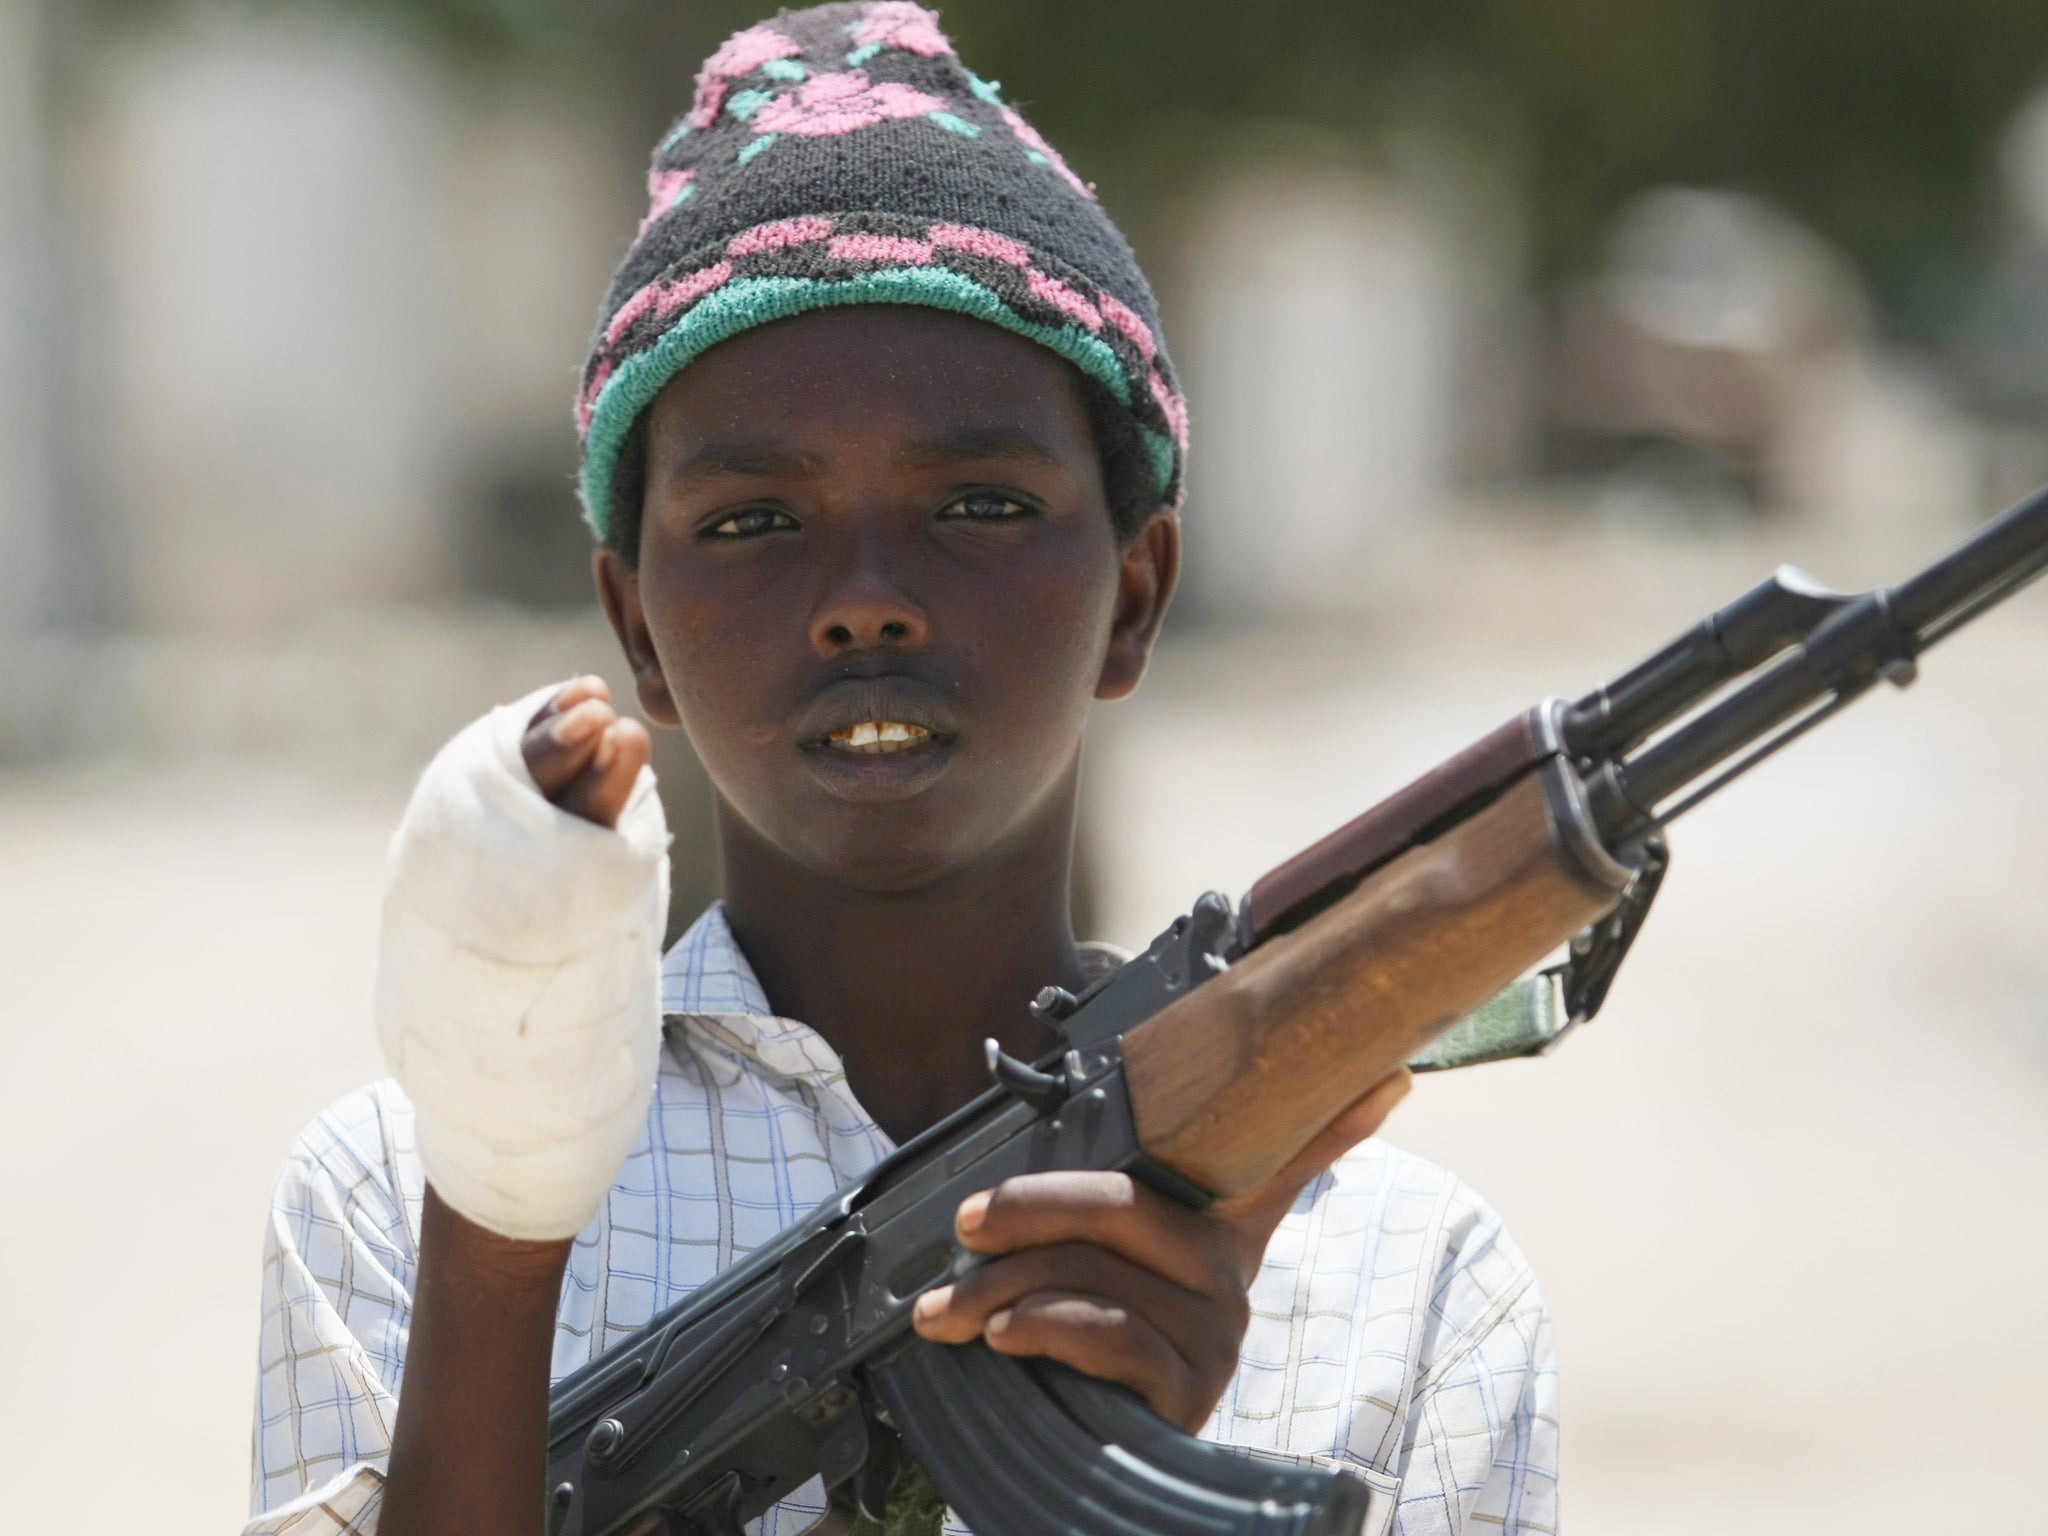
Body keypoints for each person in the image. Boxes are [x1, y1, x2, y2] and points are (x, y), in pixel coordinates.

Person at [246, 7, 1556, 1534]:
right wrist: (504, 1226)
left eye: (981, 505)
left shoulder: (1401, 1279)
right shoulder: (401, 1195)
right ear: (636, 632)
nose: (868, 596)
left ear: (1133, 595)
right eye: (752, 522)